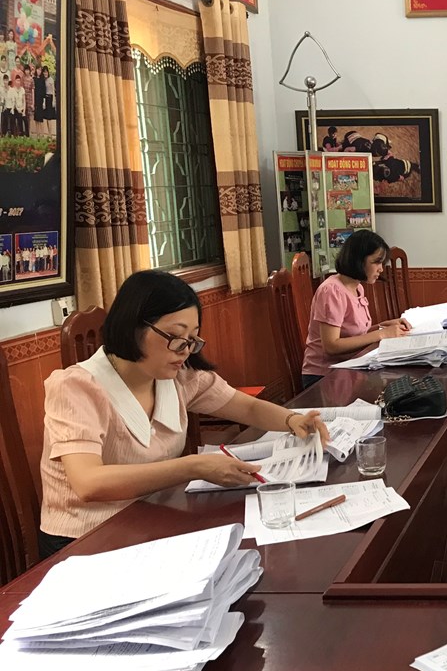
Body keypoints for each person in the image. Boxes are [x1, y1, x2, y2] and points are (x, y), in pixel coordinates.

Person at [39, 270, 331, 558]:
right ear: (133, 327)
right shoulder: (76, 386)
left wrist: (292, 420)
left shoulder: (178, 376)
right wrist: (194, 466)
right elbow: (88, 483)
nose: (185, 350)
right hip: (86, 540)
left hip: (152, 517)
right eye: (175, 337)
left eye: (192, 339)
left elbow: (246, 406)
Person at [301, 229, 411, 388]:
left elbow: (355, 334)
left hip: (349, 367)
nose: (381, 269)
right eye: (376, 262)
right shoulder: (332, 291)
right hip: (324, 376)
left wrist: (383, 327)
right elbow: (331, 346)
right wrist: (381, 334)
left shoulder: (357, 287)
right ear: (358, 260)